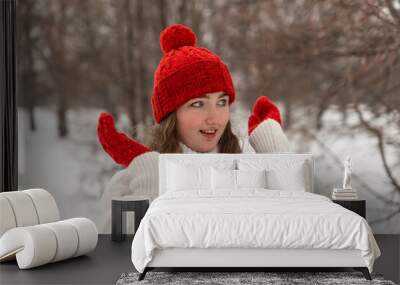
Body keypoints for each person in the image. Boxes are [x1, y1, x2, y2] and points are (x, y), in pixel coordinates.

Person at [97, 24, 290, 232]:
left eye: (222, 102)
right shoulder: (129, 182)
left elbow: (289, 236)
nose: (214, 117)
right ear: (171, 114)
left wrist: (277, 159)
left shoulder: (246, 170)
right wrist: (154, 177)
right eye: (198, 104)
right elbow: (119, 259)